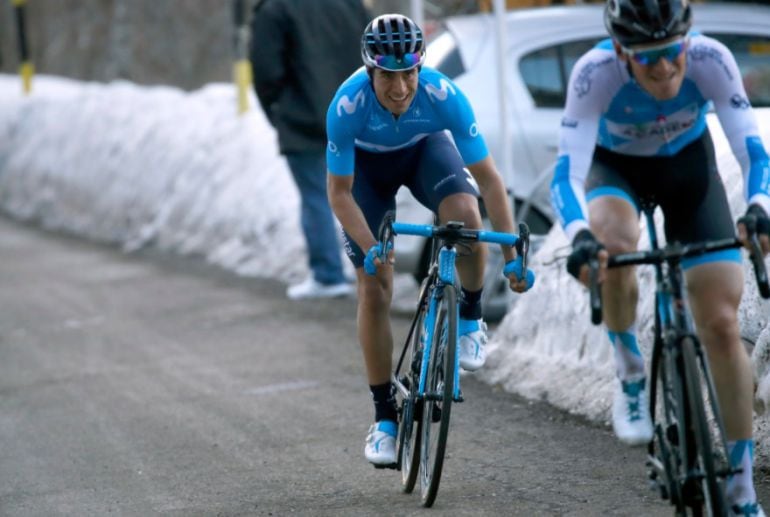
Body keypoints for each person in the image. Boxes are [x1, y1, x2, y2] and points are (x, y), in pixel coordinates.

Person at [551, 0, 770, 514]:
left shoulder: (713, 60)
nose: (666, 67)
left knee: (719, 323)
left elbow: (753, 153)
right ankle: (629, 368)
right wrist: (581, 235)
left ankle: (740, 485)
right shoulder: (594, 74)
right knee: (614, 245)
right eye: (648, 58)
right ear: (622, 54)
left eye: (673, 52)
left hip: (688, 174)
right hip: (616, 173)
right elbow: (567, 173)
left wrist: (759, 208)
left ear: (688, 42)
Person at [326, 14, 534, 467]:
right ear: (370, 72)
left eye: (408, 74)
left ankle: (470, 317)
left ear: (420, 67)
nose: (399, 88)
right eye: (387, 76)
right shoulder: (347, 106)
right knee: (374, 285)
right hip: (366, 174)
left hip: (425, 151)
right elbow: (339, 195)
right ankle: (384, 417)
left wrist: (511, 254)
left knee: (464, 216)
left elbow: (492, 182)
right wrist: (372, 247)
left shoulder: (444, 96)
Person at [250, 0, 370, 300]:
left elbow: (266, 70)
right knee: (363, 195)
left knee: (317, 197)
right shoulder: (350, 4)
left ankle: (328, 274)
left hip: (302, 117)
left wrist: (277, 112)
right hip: (353, 113)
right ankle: (373, 268)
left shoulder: (275, 9)